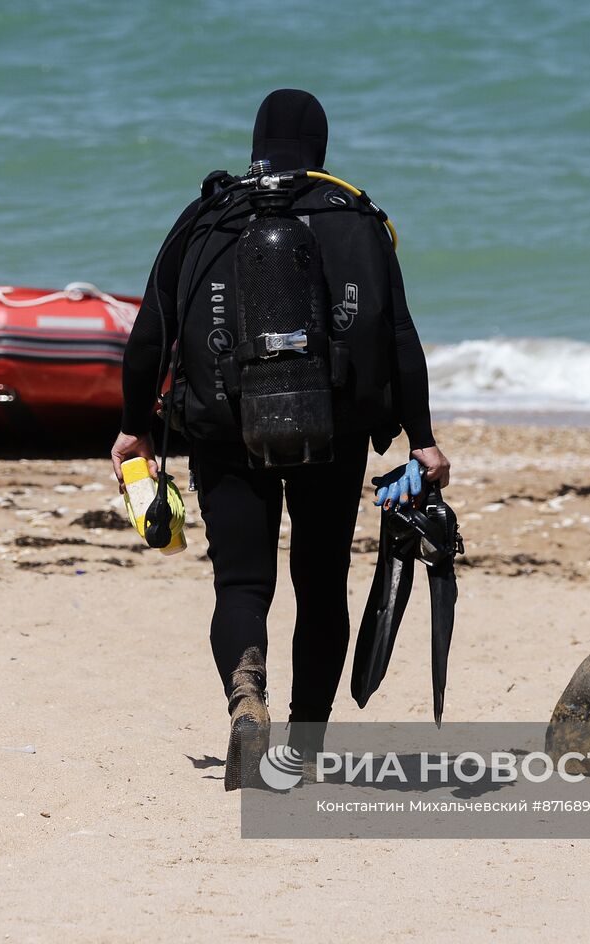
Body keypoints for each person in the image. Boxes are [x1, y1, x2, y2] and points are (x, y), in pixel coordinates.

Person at [111, 89, 450, 789]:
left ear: (256, 142)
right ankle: (305, 741)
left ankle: (245, 697)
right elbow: (396, 335)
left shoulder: (208, 215)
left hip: (224, 428)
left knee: (241, 580)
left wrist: (132, 427)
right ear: (321, 148)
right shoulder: (356, 218)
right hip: (332, 432)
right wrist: (421, 439)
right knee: (321, 581)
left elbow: (152, 334)